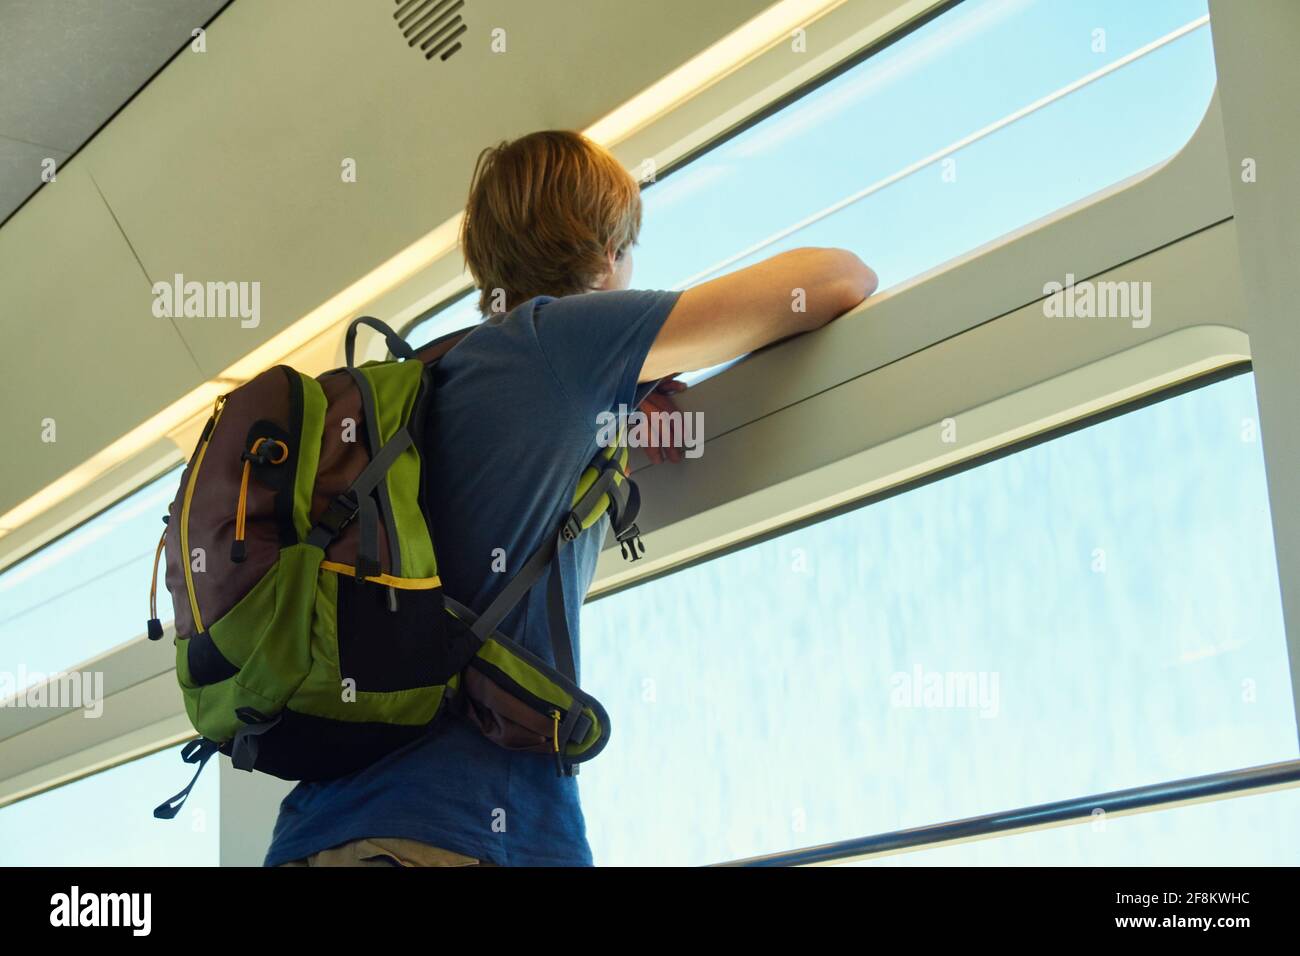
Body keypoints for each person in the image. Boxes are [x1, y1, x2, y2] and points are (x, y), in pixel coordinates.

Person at [266, 129, 876, 867]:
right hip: (456, 829)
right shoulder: (558, 340)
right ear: (606, 251)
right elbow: (839, 278)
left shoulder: (444, 378)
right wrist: (626, 373)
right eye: (629, 249)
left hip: (319, 834)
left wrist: (623, 392)